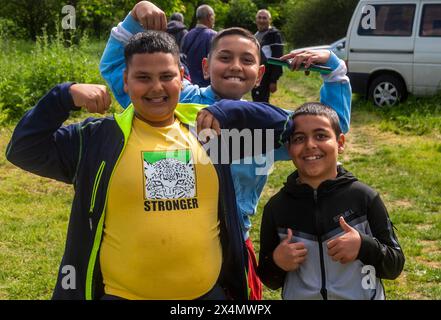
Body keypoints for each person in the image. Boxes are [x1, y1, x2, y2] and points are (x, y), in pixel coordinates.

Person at [6, 31, 293, 300]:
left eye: (166, 76)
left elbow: (297, 126)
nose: (156, 87)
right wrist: (62, 96)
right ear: (126, 80)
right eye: (143, 77)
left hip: (207, 296)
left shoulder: (210, 134)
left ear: (181, 78)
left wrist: (233, 108)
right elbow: (23, 149)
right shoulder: (97, 141)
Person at [99, 0, 352, 300]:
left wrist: (334, 68)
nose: (235, 66)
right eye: (225, 57)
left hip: (231, 253)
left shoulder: (266, 127)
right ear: (205, 66)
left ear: (259, 75)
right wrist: (135, 15)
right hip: (162, 252)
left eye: (246, 60)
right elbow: (117, 69)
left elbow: (329, 130)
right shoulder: (172, 100)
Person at [257, 102, 405, 300]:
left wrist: (363, 245)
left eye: (321, 136)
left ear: (340, 143)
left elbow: (394, 265)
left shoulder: (364, 198)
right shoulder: (277, 208)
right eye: (299, 138)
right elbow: (269, 278)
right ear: (289, 148)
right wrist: (278, 261)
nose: (310, 145)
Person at [252, 9, 284, 103]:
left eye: (264, 18)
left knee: (262, 102)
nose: (261, 20)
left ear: (270, 20)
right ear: (256, 20)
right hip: (256, 74)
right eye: (259, 18)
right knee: (256, 100)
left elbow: (278, 58)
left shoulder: (274, 35)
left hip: (266, 76)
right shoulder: (256, 35)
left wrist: (273, 80)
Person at [180, 4, 217, 86]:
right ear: (209, 17)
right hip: (206, 86)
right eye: (213, 16)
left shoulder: (187, 35)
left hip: (189, 84)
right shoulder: (213, 36)